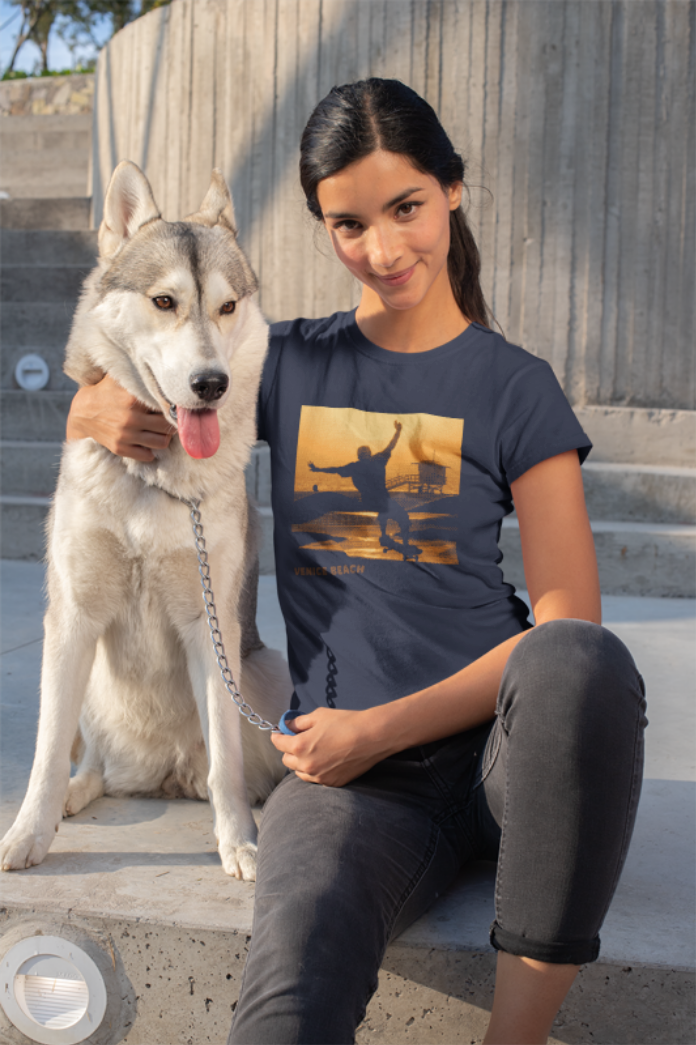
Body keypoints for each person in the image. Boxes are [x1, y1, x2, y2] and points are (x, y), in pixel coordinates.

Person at [66, 78, 647, 1045]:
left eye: (407, 207)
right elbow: (131, 369)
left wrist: (379, 726)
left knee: (582, 662)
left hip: (505, 755)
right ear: (323, 227)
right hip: (350, 788)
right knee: (283, 1012)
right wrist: (89, 407)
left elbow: (566, 624)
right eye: (348, 223)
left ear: (451, 191)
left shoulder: (514, 387)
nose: (382, 250)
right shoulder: (281, 363)